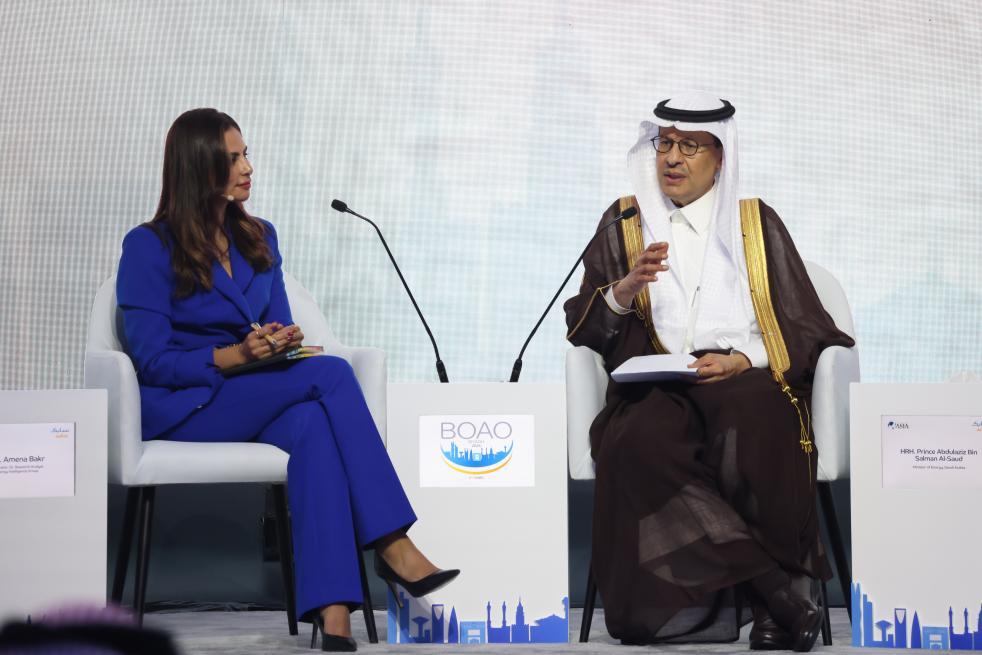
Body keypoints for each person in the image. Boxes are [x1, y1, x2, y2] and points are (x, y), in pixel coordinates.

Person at [116, 108, 458, 652]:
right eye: (232, 159)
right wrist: (235, 354)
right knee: (333, 375)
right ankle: (392, 543)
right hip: (188, 405)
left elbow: (274, 322)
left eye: (246, 154)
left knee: (312, 426)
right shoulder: (148, 246)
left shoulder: (259, 237)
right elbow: (152, 360)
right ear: (197, 166)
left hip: (253, 393)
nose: (247, 167)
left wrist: (281, 340)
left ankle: (334, 613)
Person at [564, 93, 854, 652]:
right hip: (656, 380)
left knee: (755, 422)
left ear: (720, 157)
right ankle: (776, 593)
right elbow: (586, 328)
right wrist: (624, 290)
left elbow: (803, 321)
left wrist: (744, 358)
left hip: (738, 373)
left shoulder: (754, 222)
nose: (672, 157)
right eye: (664, 143)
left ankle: (775, 605)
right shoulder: (625, 221)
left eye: (690, 146)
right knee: (638, 442)